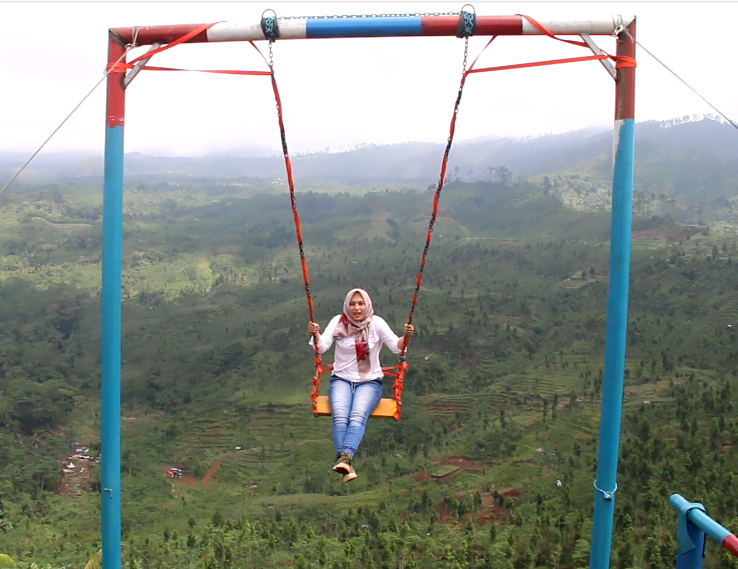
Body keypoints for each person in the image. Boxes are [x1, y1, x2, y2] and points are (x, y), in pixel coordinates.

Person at [308, 288, 414, 483]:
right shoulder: (338, 322)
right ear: (347, 306)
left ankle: (344, 458)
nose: (356, 308)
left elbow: (396, 346)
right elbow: (321, 347)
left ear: (367, 305)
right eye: (352, 304)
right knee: (340, 415)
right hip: (341, 379)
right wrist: (316, 334)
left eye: (360, 303)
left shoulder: (377, 323)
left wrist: (406, 337)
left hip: (369, 382)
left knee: (357, 414)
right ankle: (346, 461)